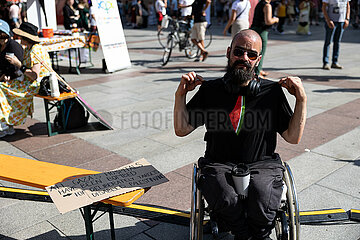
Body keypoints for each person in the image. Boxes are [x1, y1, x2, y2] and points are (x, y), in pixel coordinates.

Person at [173, 29, 307, 240]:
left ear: (258, 60)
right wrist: (180, 95)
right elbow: (181, 130)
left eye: (251, 54)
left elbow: (292, 137)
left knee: (264, 197)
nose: (244, 58)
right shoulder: (210, 90)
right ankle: (248, 235)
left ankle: (253, 232)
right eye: (239, 52)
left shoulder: (272, 92)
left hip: (263, 163)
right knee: (225, 196)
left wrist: (301, 100)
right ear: (229, 52)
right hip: (218, 162)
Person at [0, 22, 51, 137]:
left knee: (1, 89)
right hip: (28, 81)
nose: (18, 38)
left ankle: (5, 125)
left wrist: (18, 64)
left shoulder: (35, 50)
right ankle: (7, 124)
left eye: (20, 36)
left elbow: (34, 75)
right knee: (3, 87)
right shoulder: (29, 48)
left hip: (37, 84)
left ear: (26, 37)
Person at [250, 0, 279, 77]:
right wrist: (275, 19)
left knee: (255, 52)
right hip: (262, 31)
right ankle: (257, 73)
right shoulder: (267, 6)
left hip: (254, 29)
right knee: (260, 53)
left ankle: (259, 70)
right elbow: (268, 21)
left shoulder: (260, 3)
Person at [321, 0, 350, 70]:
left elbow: (348, 6)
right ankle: (326, 62)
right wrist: (328, 20)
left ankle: (335, 62)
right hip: (332, 22)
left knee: (337, 42)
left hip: (341, 21)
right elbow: (324, 7)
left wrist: (347, 19)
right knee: (328, 42)